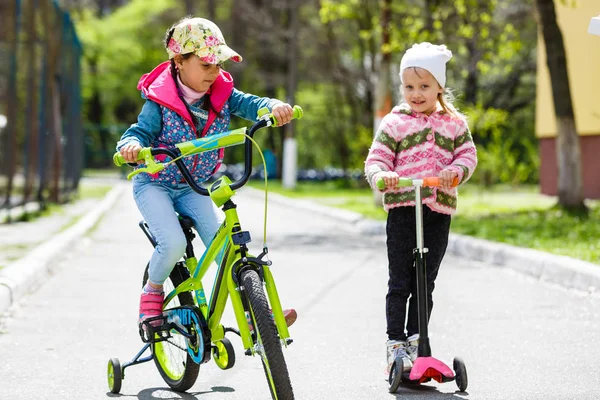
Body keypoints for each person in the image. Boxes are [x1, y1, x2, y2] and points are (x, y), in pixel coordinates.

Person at [116, 17, 297, 329]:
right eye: (206, 64)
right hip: (155, 182)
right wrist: (131, 146)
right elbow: (138, 133)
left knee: (223, 247)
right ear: (179, 61)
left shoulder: (222, 93)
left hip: (192, 186)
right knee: (172, 243)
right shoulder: (159, 101)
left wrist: (273, 106)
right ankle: (153, 290)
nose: (214, 73)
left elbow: (252, 104)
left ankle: (257, 317)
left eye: (219, 65)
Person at [364, 42, 478, 374]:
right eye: (409, 86)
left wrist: (454, 172)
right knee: (400, 280)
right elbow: (377, 158)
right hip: (402, 209)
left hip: (437, 210)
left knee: (424, 281)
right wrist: (382, 175)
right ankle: (395, 343)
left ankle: (418, 340)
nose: (416, 93)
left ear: (439, 86)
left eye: (424, 86)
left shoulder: (454, 123)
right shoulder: (394, 121)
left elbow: (467, 156)